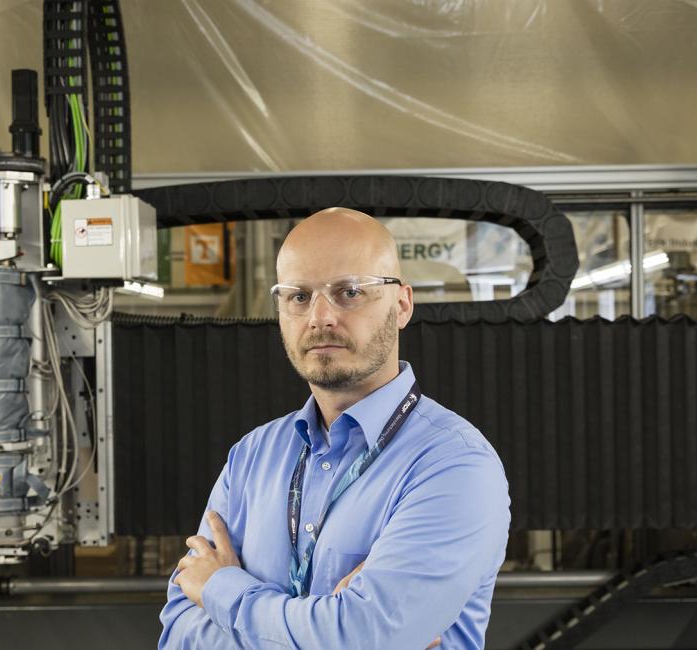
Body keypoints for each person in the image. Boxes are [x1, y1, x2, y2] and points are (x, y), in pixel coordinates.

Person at [159, 208, 510, 649]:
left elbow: (363, 638)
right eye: (299, 296)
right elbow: (179, 634)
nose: (319, 318)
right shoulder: (251, 457)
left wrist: (221, 589)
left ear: (401, 305)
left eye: (348, 292)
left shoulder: (454, 466)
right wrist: (327, 627)